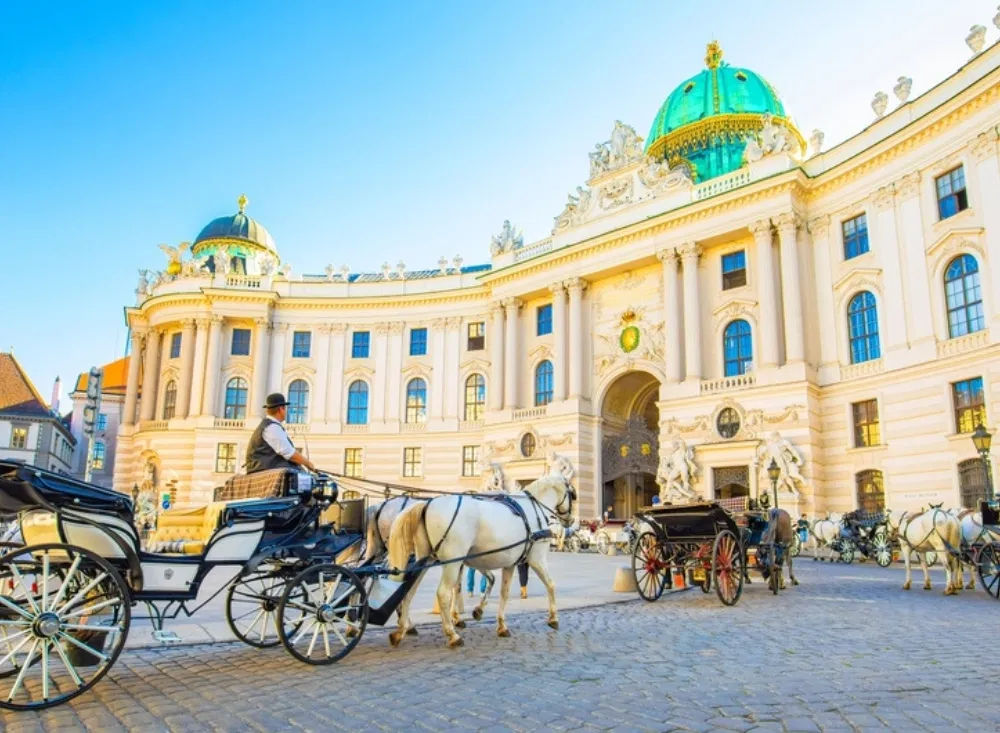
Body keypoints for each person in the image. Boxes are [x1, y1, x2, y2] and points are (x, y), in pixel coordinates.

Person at [245, 393, 317, 474]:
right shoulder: (271, 427)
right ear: (280, 409)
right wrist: (308, 464)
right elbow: (290, 453)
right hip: (264, 469)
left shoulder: (270, 426)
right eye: (285, 409)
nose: (286, 411)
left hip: (264, 467)